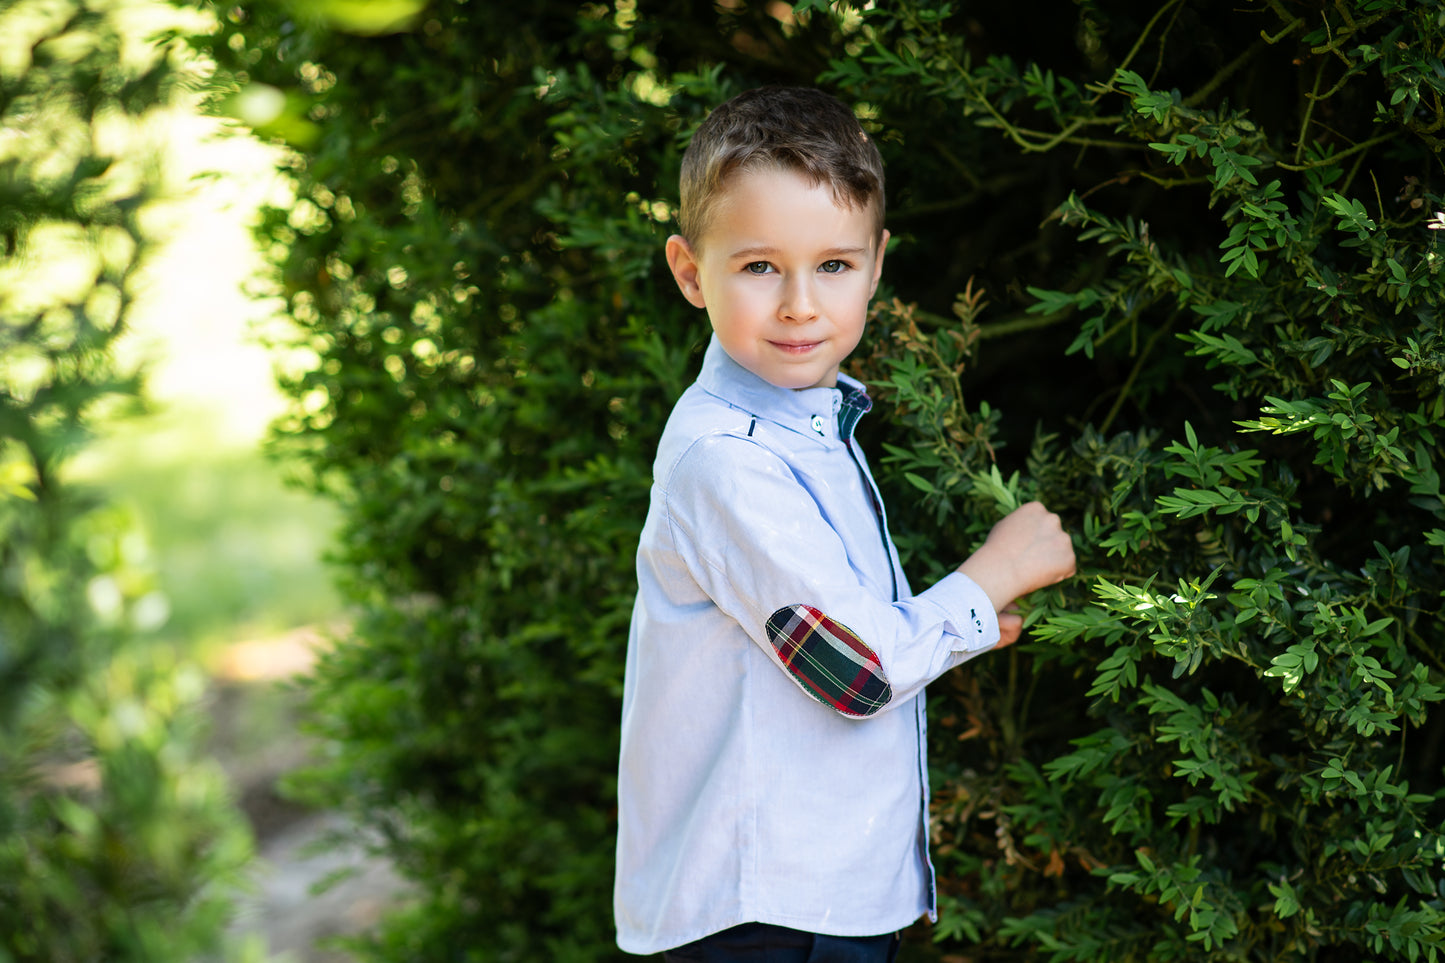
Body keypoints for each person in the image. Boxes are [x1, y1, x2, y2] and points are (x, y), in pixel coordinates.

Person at [614, 85, 1077, 962]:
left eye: (833, 265)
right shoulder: (729, 459)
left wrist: (954, 627)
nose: (799, 304)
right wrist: (990, 576)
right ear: (688, 271)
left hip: (814, 902)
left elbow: (830, 632)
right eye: (758, 266)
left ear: (875, 264)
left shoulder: (808, 424)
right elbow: (857, 672)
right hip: (763, 918)